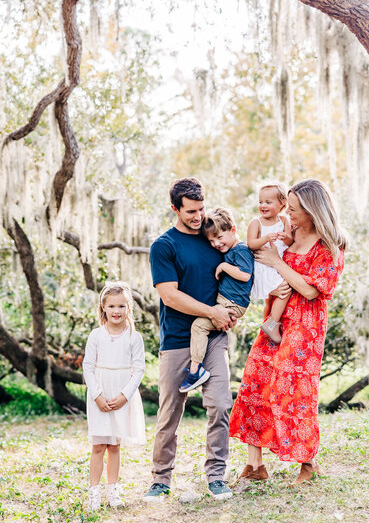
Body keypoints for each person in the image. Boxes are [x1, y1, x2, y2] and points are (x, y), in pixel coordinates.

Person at [229, 178, 346, 486]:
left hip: (304, 326)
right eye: (289, 208)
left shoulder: (329, 245)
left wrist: (278, 263)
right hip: (276, 319)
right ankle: (255, 465)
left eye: (294, 210)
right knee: (255, 381)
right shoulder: (290, 234)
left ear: (312, 210)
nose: (288, 214)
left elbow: (310, 291)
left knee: (293, 391)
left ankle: (308, 463)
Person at [145, 177, 236, 502]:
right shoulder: (164, 246)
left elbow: (239, 272)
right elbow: (170, 296)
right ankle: (160, 480)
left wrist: (230, 310)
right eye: (191, 212)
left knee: (221, 406)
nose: (198, 217)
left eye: (200, 209)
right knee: (169, 412)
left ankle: (216, 477)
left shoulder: (213, 239)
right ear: (175, 209)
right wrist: (212, 311)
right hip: (176, 340)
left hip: (213, 340)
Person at [82, 281, 146, 510]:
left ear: (128, 309)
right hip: (100, 392)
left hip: (121, 393)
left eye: (121, 306)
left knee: (115, 446)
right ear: (103, 307)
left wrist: (124, 396)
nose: (116, 311)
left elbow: (138, 369)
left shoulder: (133, 337)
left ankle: (113, 491)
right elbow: (88, 366)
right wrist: (97, 395)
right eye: (112, 306)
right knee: (99, 445)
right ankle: (94, 493)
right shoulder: (96, 335)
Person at [180, 208, 254, 393]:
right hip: (225, 301)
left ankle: (196, 370)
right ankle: (196, 368)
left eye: (220, 237)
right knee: (201, 326)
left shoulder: (241, 249)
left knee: (198, 326)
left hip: (232, 303)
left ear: (233, 229)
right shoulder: (230, 250)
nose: (216, 243)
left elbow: (245, 275)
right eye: (212, 240)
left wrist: (223, 266)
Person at [247, 182, 294, 344]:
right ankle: (272, 323)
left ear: (282, 204)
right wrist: (266, 238)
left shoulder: (284, 220)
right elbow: (251, 244)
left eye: (268, 202)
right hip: (263, 266)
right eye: (260, 202)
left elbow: (289, 241)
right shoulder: (256, 223)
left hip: (277, 264)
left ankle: (268, 321)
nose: (263, 205)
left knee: (272, 298)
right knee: (285, 290)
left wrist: (284, 237)